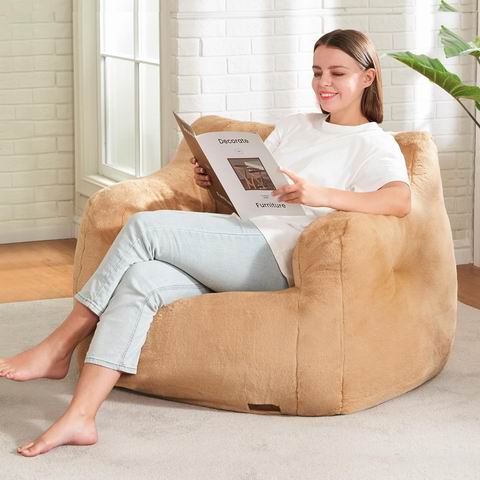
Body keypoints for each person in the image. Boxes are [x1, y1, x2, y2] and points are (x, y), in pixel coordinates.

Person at [0, 28, 410, 457]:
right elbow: (254, 194)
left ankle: (59, 346)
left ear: (367, 77)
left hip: (274, 256)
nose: (323, 83)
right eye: (317, 72)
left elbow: (398, 200)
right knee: (141, 280)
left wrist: (318, 195)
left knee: (144, 228)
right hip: (238, 239)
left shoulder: (374, 144)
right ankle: (81, 417)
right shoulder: (295, 126)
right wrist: (214, 181)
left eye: (337, 73)